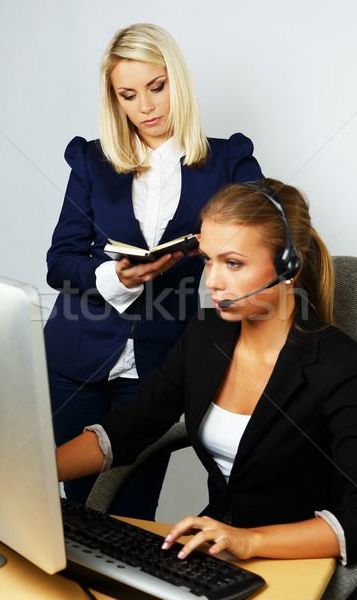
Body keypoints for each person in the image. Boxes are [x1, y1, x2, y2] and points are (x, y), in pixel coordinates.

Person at [56, 178, 357, 575]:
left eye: (232, 263)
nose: (213, 281)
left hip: (303, 559)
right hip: (219, 547)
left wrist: (250, 541)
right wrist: (27, 472)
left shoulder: (339, 364)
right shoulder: (205, 334)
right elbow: (129, 429)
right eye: (208, 260)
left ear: (289, 266)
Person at [44, 22, 263, 514]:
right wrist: (113, 278)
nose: (145, 107)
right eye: (128, 95)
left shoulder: (229, 160)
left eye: (156, 87)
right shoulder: (92, 162)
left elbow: (271, 231)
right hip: (74, 361)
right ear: (114, 100)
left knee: (130, 508)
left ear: (176, 81)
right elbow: (60, 262)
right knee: (76, 510)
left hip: (161, 363)